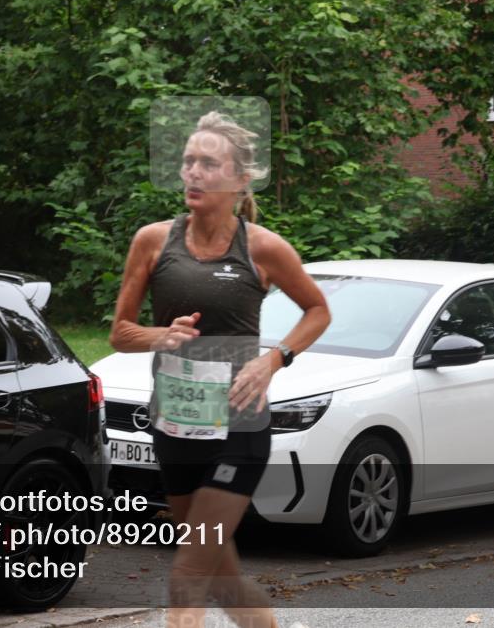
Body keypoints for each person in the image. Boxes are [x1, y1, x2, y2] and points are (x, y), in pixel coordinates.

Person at [109, 111, 330, 628]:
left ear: (239, 179)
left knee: (189, 571)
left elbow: (318, 310)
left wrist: (274, 360)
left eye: (208, 164)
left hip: (239, 429)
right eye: (188, 161)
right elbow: (120, 332)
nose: (193, 172)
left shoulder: (262, 248)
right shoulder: (152, 241)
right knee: (221, 580)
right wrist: (159, 336)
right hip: (175, 428)